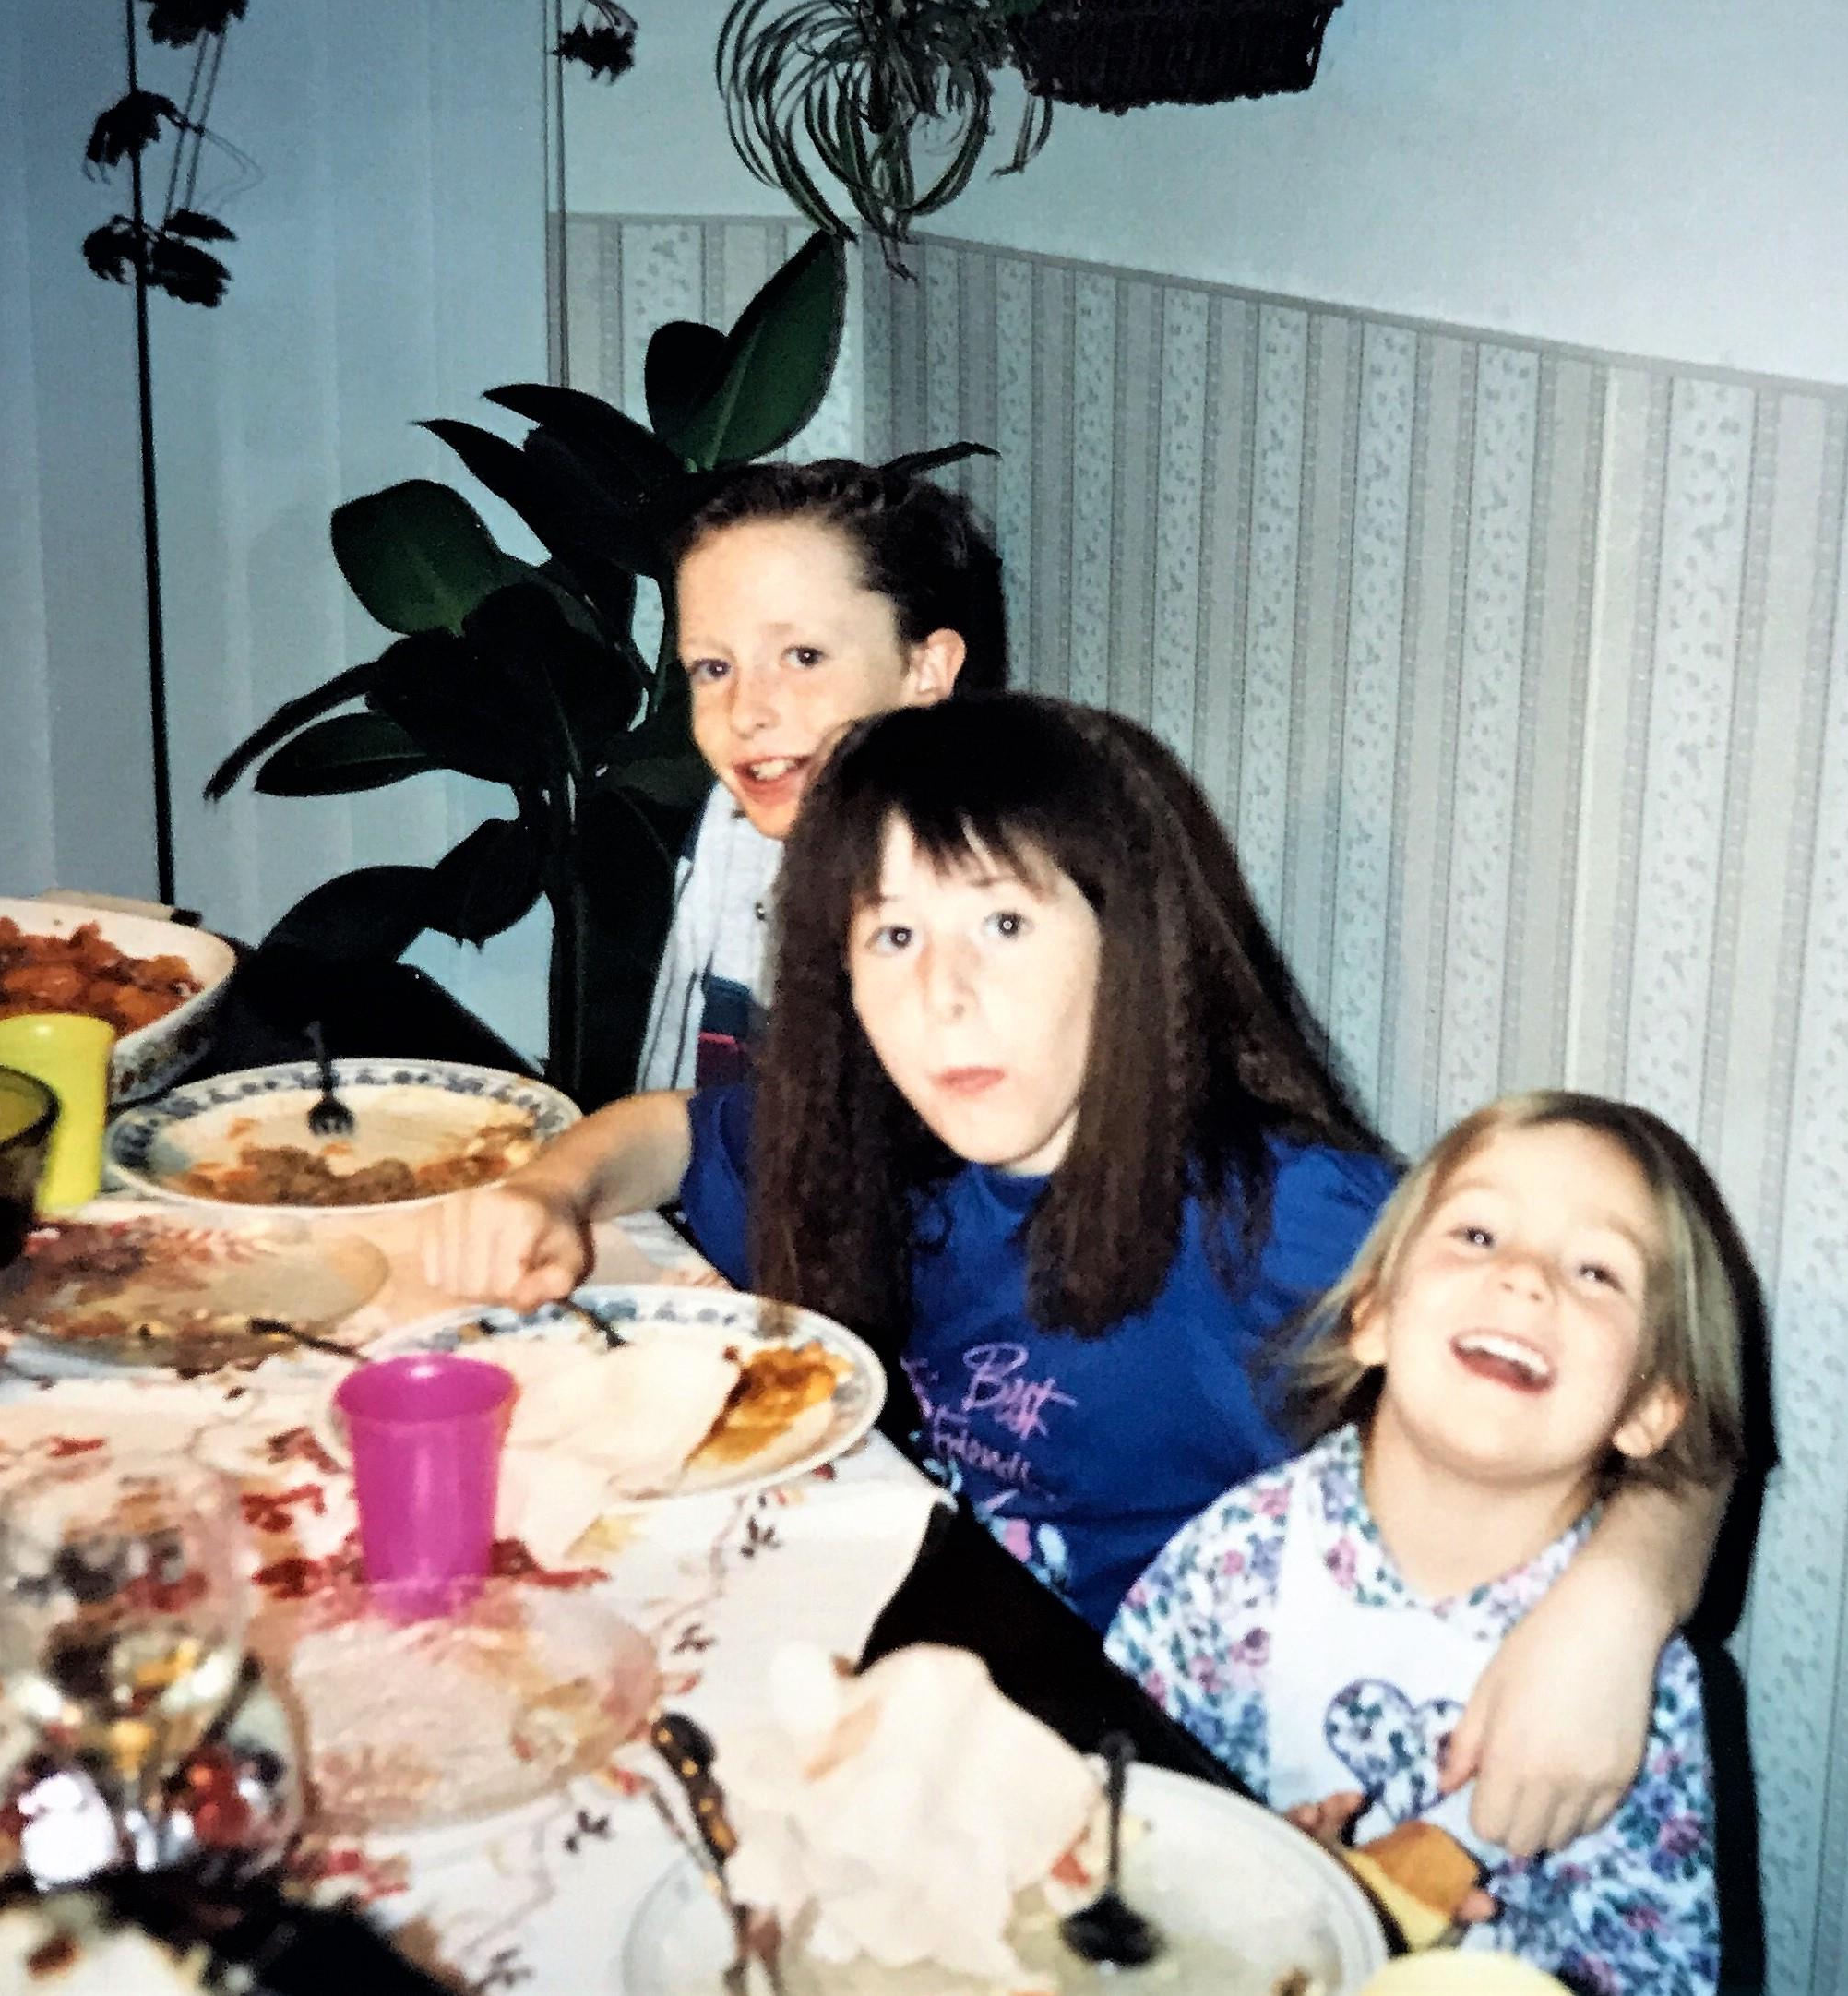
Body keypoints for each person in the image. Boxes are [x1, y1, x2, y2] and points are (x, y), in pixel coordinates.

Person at [425, 696, 1731, 1862]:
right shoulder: (879, 1146)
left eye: (1002, 922)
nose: (943, 995)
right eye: (892, 935)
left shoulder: (1279, 1216)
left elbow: (1668, 1421)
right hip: (909, 1696)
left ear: (1126, 943)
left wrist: (1617, 1610)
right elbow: (670, 1130)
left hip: (1146, 1786)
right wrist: (554, 1188)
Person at [1104, 1093, 1747, 1995]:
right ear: (1372, 1311)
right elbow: (1114, 1828)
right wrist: (1259, 1874)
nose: (1524, 1277)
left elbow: (1659, 1969)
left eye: (1596, 1272)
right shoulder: (1236, 1560)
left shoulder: (1632, 1684)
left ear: (1649, 1408)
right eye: (1477, 1235)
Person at [636, 458, 1008, 1094]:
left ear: (925, 671)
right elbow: (678, 1102)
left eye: (803, 656)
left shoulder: (996, 904)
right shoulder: (736, 829)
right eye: (713, 668)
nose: (745, 714)